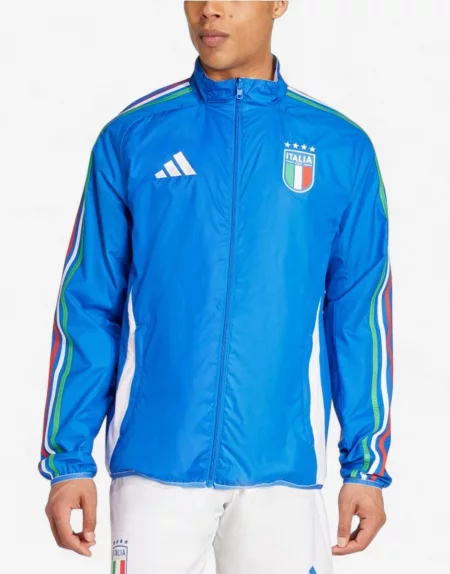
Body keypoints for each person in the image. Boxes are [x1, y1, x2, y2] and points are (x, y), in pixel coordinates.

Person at [39, 2, 393, 573]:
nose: (210, 9)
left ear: (278, 2)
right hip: (154, 467)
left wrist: (365, 468)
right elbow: (89, 305)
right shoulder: (133, 137)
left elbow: (359, 318)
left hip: (283, 472)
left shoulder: (340, 148)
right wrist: (70, 460)